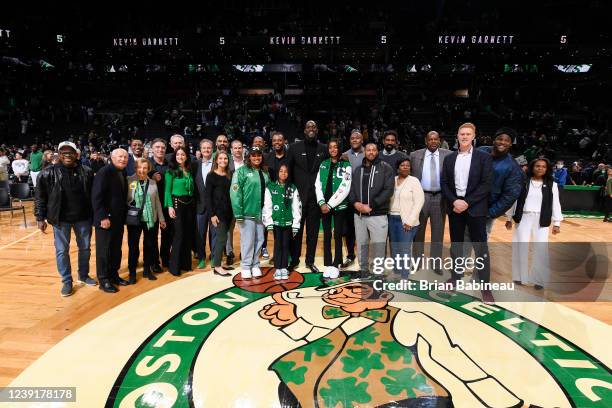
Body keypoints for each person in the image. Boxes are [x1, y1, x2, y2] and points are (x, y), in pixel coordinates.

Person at [35, 141, 96, 297]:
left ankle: (83, 275)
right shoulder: (47, 173)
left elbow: (93, 196)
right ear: (59, 155)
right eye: (64, 153)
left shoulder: (87, 171)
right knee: (62, 251)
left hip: (83, 218)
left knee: (85, 249)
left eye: (71, 153)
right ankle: (67, 281)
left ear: (76, 155)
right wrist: (40, 217)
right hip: (60, 219)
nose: (67, 155)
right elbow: (40, 198)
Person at [440, 123, 493, 303]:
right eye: (461, 133)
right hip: (455, 208)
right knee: (456, 245)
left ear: (473, 136)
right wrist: (455, 201)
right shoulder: (449, 159)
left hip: (475, 208)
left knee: (481, 248)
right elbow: (444, 184)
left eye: (468, 134)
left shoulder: (484, 157)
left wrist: (467, 202)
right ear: (457, 135)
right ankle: (455, 278)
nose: (464, 136)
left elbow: (486, 185)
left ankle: (486, 287)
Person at [506, 158, 563, 289]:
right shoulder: (523, 182)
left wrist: (557, 223)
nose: (540, 168)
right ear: (532, 167)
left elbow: (556, 204)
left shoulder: (551, 184)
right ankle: (519, 277)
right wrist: (509, 218)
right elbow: (514, 200)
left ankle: (539, 280)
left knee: (541, 249)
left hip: (541, 220)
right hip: (523, 218)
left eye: (543, 166)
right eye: (537, 166)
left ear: (547, 169)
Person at [287, 120, 329, 272]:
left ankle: (310, 261)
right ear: (304, 130)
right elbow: (289, 171)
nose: (311, 129)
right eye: (308, 127)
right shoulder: (293, 147)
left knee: (313, 233)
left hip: (316, 199)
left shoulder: (324, 149)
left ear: (317, 130)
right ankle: (294, 259)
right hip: (298, 198)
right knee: (296, 231)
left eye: (313, 126)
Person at [349, 142, 394, 277]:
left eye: (374, 150)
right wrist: (356, 203)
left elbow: (388, 190)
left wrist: (371, 205)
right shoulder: (358, 169)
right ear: (365, 152)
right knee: (362, 243)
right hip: (360, 215)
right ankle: (363, 269)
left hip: (377, 214)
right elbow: (351, 189)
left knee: (378, 245)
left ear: (377, 152)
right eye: (368, 150)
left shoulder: (386, 168)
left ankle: (378, 272)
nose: (371, 152)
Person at [410, 131, 451, 272]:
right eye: (430, 139)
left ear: (439, 140)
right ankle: (416, 262)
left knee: (438, 233)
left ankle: (435, 263)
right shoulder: (414, 155)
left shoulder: (448, 154)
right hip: (421, 197)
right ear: (426, 141)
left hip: (440, 197)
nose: (433, 141)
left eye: (436, 139)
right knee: (418, 232)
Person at [92, 148, 130, 293]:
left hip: (118, 219)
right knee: (103, 251)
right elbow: (96, 196)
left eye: (125, 157)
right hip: (105, 219)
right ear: (112, 158)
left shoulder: (122, 171)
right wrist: (102, 217)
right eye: (120, 157)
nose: (123, 159)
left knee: (115, 249)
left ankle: (114, 275)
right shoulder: (104, 172)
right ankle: (103, 280)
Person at [230, 146, 270, 279]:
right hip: (246, 212)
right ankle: (246, 266)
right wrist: (238, 212)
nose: (256, 158)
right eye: (253, 155)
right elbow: (235, 192)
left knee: (260, 239)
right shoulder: (241, 171)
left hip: (261, 213)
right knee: (248, 240)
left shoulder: (265, 172)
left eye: (259, 155)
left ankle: (255, 264)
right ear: (249, 157)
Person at [315, 139, 352, 279]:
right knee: (326, 236)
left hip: (338, 206)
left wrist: (330, 204)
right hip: (323, 206)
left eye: (335, 147)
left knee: (337, 236)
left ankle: (336, 264)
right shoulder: (323, 164)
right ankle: (328, 264)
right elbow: (317, 184)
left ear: (339, 148)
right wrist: (321, 202)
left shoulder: (346, 164)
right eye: (330, 147)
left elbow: (345, 186)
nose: (333, 149)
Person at [126, 158, 166, 283]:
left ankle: (146, 270)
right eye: (139, 167)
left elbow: (157, 202)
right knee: (133, 247)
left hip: (151, 219)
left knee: (149, 246)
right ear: (135, 168)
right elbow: (124, 200)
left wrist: (162, 219)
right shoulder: (129, 180)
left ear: (148, 169)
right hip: (135, 219)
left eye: (144, 168)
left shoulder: (153, 183)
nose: (142, 170)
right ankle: (132, 272)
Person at [262, 164, 301, 280]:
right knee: (278, 245)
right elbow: (267, 206)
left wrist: (296, 225)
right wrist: (268, 223)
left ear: (288, 174)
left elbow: (297, 207)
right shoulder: (271, 187)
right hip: (276, 223)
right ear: (278, 173)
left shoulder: (292, 188)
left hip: (288, 223)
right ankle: (277, 268)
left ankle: (284, 267)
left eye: (286, 172)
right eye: (281, 171)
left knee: (286, 245)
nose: (283, 173)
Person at [388, 158, 424, 278]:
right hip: (392, 219)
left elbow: (419, 202)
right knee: (394, 247)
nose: (405, 167)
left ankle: (404, 276)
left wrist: (410, 221)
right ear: (398, 168)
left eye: (407, 165)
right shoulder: (392, 180)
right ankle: (397, 271)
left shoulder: (414, 181)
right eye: (402, 165)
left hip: (406, 221)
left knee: (404, 249)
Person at [165, 147, 196, 276]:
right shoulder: (171, 171)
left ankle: (185, 264)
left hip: (189, 204)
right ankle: (174, 267)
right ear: (175, 156)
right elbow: (167, 190)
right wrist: (170, 206)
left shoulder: (189, 170)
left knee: (188, 234)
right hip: (177, 204)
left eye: (183, 154)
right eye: (178, 154)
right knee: (179, 235)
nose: (180, 156)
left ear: (186, 156)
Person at [205, 151, 234, 276]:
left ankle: (219, 263)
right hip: (218, 213)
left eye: (225, 158)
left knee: (224, 238)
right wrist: (212, 214)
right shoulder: (211, 175)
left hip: (229, 212)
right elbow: (208, 197)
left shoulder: (229, 175)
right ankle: (217, 266)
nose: (223, 160)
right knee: (221, 238)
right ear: (216, 160)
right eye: (220, 158)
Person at [262, 131, 289, 260]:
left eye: (279, 140)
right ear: (271, 142)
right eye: (274, 140)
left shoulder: (290, 156)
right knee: (276, 227)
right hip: (272, 197)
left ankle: (287, 254)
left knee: (287, 226)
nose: (277, 142)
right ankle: (277, 254)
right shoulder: (267, 157)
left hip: (287, 195)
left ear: (284, 142)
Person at [340, 130, 364, 267]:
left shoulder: (368, 153)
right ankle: (350, 255)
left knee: (363, 229)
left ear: (362, 140)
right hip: (348, 198)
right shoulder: (344, 155)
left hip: (363, 198)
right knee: (348, 230)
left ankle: (364, 256)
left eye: (357, 138)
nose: (355, 140)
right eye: (352, 138)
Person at [149, 138, 171, 270]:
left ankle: (165, 258)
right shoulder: (147, 164)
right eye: (157, 147)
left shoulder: (170, 164)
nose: (160, 149)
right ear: (152, 148)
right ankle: (154, 262)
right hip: (151, 206)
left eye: (163, 147)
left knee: (167, 234)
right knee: (152, 235)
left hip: (166, 205)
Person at [193, 139, 216, 269]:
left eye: (209, 148)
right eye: (204, 148)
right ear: (200, 150)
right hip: (200, 206)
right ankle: (201, 257)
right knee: (200, 234)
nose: (206, 150)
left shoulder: (217, 164)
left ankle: (213, 257)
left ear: (212, 149)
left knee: (214, 233)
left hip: (214, 206)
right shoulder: (195, 165)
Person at [226, 139, 246, 265]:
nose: (238, 150)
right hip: (230, 201)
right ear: (231, 150)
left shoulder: (247, 163)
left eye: (240, 148)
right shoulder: (227, 164)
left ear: (242, 149)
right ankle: (229, 253)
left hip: (245, 202)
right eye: (235, 148)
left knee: (244, 228)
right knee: (229, 229)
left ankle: (244, 252)